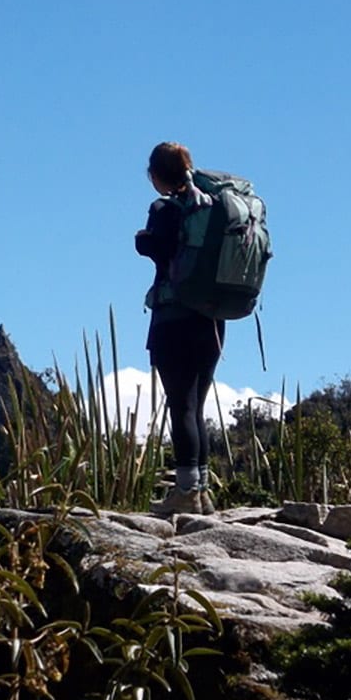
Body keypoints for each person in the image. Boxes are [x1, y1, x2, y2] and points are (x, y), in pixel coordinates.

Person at [135, 141, 224, 516]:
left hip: (175, 318)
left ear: (156, 175)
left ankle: (186, 492)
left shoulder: (165, 209)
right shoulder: (211, 208)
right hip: (214, 319)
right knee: (196, 405)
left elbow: (157, 247)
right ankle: (200, 491)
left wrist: (142, 240)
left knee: (181, 405)